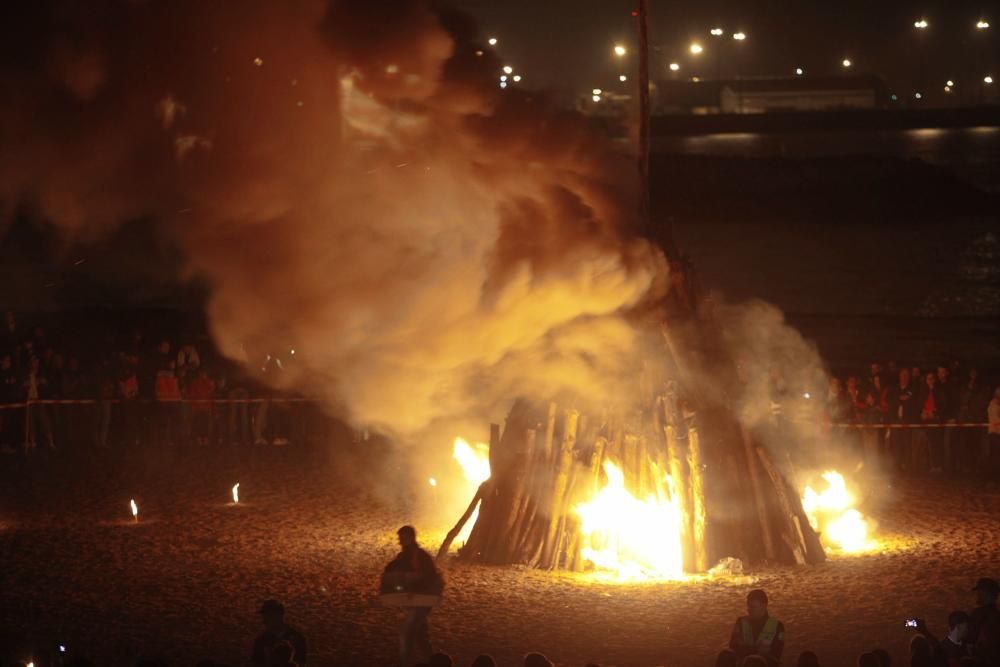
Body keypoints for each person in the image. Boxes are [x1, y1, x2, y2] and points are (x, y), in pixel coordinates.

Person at [384, 525, 444, 667]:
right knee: (420, 631)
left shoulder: (420, 556)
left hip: (422, 599)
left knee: (408, 630)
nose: (399, 541)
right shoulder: (406, 555)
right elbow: (389, 569)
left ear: (410, 538)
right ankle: (430, 660)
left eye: (402, 538)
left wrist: (415, 589)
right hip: (415, 599)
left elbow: (429, 578)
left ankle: (406, 661)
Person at [729, 590, 785, 663]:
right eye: (748, 606)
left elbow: (776, 654)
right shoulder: (741, 622)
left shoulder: (778, 626)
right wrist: (759, 651)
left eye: (752, 607)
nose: (749, 610)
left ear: (764, 606)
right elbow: (733, 648)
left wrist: (746, 649)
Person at [251, 599, 307, 667]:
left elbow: (302, 663)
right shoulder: (260, 641)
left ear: (279, 615)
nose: (264, 620)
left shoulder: (297, 639)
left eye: (268, 615)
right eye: (264, 616)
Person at [969, 578, 1000, 667]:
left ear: (984, 592)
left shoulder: (978, 613)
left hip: (983, 660)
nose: (977, 595)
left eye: (979, 592)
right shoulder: (996, 614)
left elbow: (970, 638)